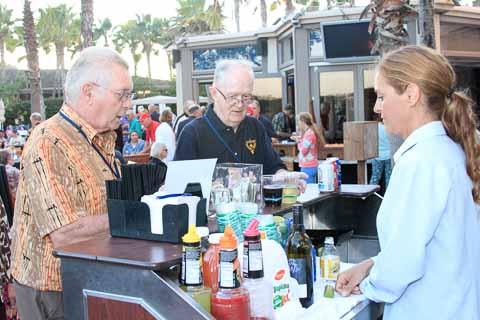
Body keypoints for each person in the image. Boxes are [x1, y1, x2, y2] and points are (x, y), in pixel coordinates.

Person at [335, 46, 480, 320]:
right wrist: (369, 264)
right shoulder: (452, 150)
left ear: (411, 95)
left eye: (381, 96)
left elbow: (402, 264)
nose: (377, 107)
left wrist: (368, 285)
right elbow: (432, 245)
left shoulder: (421, 162)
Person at [10, 47, 133, 319]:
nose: (128, 104)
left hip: (89, 279)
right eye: (122, 94)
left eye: (129, 95)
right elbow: (64, 232)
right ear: (88, 92)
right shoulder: (48, 139)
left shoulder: (103, 137)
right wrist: (135, 216)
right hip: (54, 289)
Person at [175, 59, 306, 187]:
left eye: (246, 97)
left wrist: (283, 176)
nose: (240, 104)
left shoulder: (255, 127)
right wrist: (220, 181)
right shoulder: (192, 133)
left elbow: (273, 167)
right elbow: (180, 187)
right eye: (232, 97)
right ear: (214, 93)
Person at [291, 112, 325, 184]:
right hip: (310, 165)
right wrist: (299, 139)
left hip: (308, 166)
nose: (298, 124)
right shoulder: (309, 132)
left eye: (298, 121)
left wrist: (298, 141)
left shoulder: (309, 134)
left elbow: (303, 151)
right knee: (311, 188)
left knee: (308, 189)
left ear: (303, 121)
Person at [369, 115, 392, 188]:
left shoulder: (374, 128)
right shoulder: (390, 127)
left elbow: (370, 141)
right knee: (389, 178)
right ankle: (389, 197)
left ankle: (370, 196)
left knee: (375, 178)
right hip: (389, 155)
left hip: (377, 155)